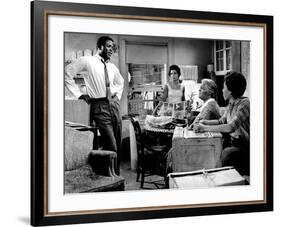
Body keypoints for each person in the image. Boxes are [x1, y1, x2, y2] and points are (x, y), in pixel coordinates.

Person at [65, 36, 124, 174]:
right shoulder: (87, 60)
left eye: (112, 47)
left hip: (114, 106)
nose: (111, 49)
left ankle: (116, 177)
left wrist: (117, 97)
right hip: (99, 106)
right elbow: (67, 72)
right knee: (111, 145)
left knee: (118, 145)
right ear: (100, 47)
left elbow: (120, 82)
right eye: (109, 46)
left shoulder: (112, 66)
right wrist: (79, 94)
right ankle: (111, 177)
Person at [194, 72, 250, 175]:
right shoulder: (231, 104)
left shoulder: (244, 104)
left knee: (226, 153)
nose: (222, 90)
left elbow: (230, 127)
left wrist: (204, 128)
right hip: (233, 143)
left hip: (245, 147)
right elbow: (221, 121)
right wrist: (204, 122)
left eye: (224, 87)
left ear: (231, 91)